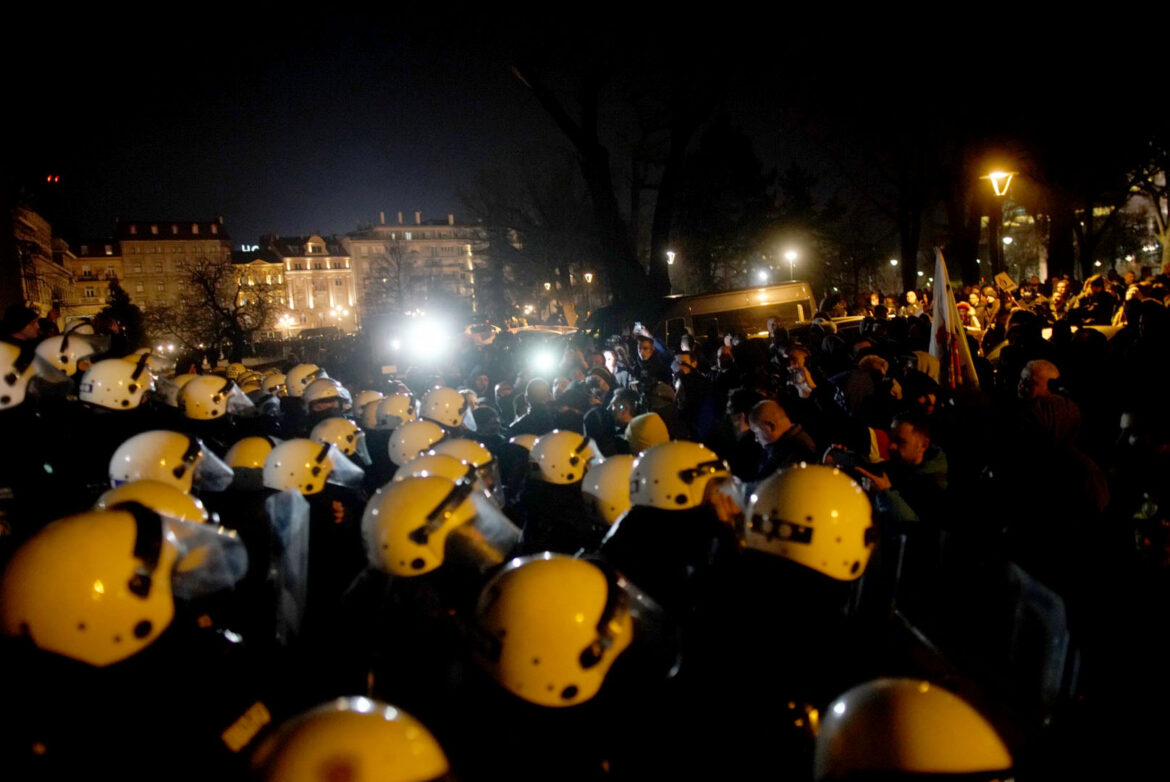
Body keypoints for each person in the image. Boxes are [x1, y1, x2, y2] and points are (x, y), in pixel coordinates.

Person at [748, 399, 818, 480]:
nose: (756, 439)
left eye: (756, 432)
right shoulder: (785, 448)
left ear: (770, 426)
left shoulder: (797, 454)